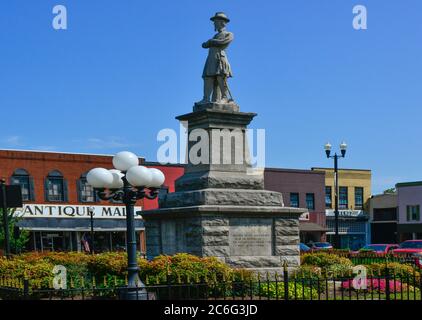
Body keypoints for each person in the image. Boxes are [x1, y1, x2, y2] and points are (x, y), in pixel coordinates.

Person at [197, 12, 234, 104]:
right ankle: (206, 98)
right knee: (207, 77)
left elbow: (223, 42)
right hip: (211, 59)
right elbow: (205, 45)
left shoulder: (229, 34)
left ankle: (225, 97)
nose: (214, 23)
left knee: (220, 77)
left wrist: (211, 42)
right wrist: (209, 42)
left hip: (220, 58)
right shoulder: (215, 36)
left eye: (216, 21)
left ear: (222, 22)